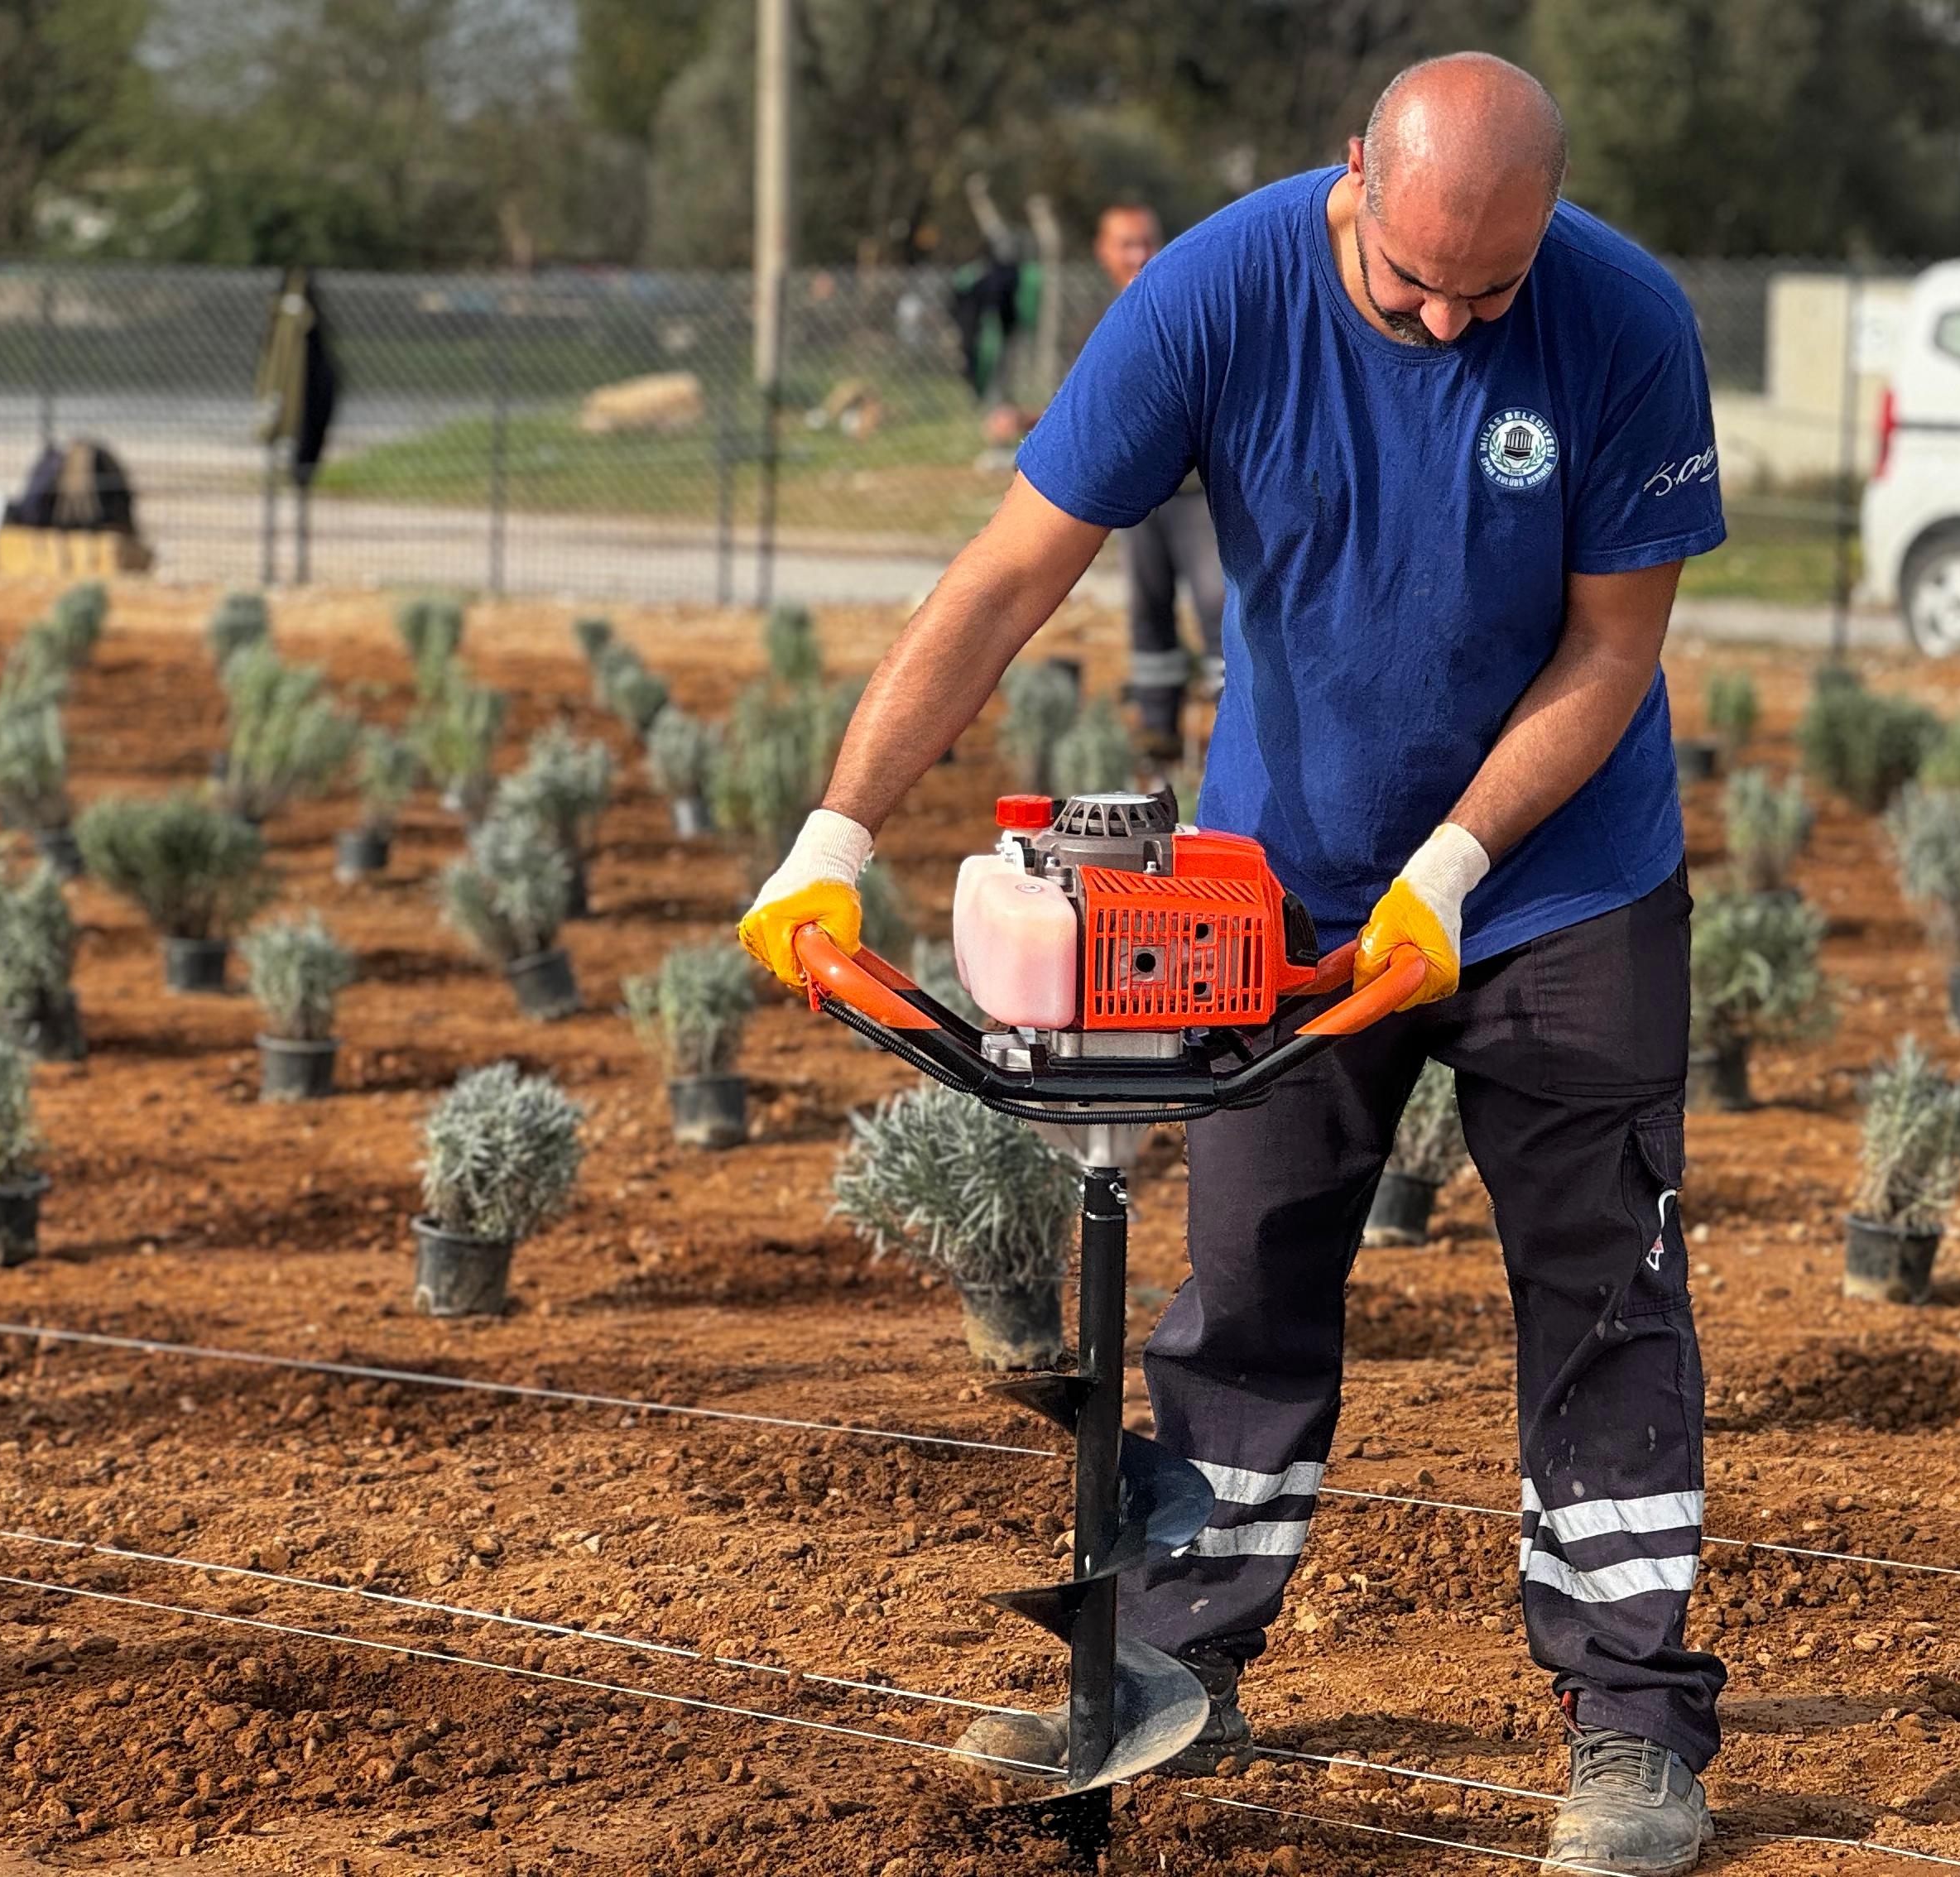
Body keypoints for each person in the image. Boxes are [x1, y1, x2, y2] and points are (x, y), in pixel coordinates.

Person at [736, 50, 1727, 1876]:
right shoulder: (1216, 288)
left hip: (1564, 883)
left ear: (1543, 238)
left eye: (1483, 293)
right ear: (1354, 175)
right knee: (1248, 1279)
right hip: (1279, 883)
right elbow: (1009, 572)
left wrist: (1453, 867)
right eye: (1411, 281)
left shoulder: (1624, 320)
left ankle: (1634, 1725)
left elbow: (1613, 654)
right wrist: (838, 833)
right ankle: (1174, 1669)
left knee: (1603, 1289)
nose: (1443, 320)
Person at [1083, 202, 1223, 764]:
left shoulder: (1182, 305)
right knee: (1148, 606)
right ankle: (1159, 726)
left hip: (1195, 494)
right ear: (1104, 252)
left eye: (1147, 242)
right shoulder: (1097, 318)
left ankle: (1231, 723)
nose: (1138, 255)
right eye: (1126, 244)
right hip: (1138, 499)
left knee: (1217, 602)